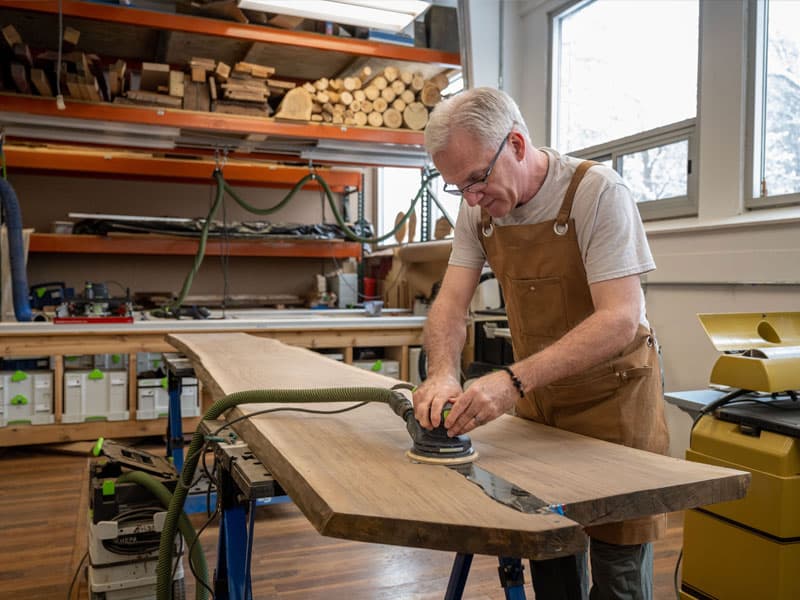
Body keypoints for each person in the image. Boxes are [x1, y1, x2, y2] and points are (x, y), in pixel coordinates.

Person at [412, 87, 669, 600]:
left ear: (517, 144)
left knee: (618, 579)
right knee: (550, 555)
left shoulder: (598, 193)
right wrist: (441, 371)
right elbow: (450, 303)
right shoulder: (478, 211)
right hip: (543, 408)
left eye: (477, 179)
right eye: (457, 186)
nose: (471, 198)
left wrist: (511, 381)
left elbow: (620, 319)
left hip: (613, 406)